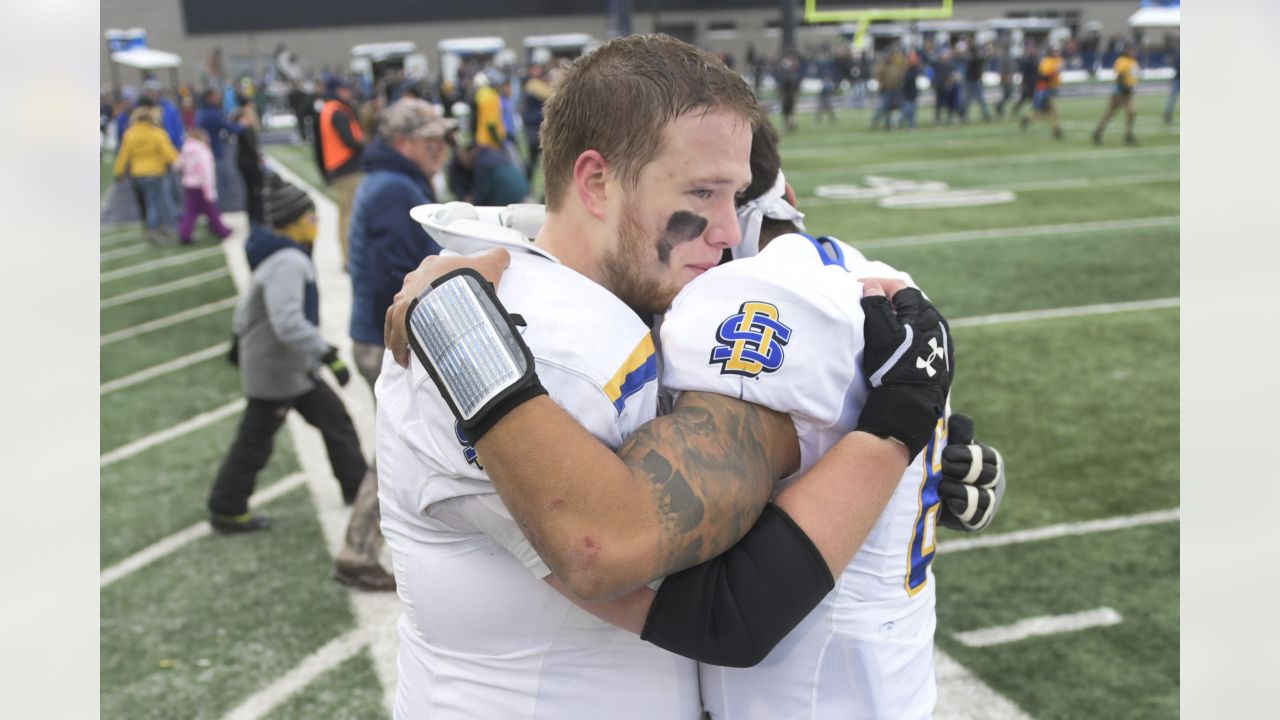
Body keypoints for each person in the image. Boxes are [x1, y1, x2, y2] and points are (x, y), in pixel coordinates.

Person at [375, 34, 954, 718]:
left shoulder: (628, 299)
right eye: (700, 193)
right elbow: (630, 558)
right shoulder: (529, 334)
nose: (725, 230)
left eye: (734, 195)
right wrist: (459, 334)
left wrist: (922, 463)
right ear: (595, 181)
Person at [334, 98, 457, 591]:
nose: (443, 149)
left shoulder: (391, 180)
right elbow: (405, 274)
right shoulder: (393, 189)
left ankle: (358, 547)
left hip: (376, 335)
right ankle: (357, 551)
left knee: (397, 446)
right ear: (404, 143)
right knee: (397, 448)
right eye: (433, 140)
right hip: (383, 341)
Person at [208, 178, 367, 533]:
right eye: (309, 216)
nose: (316, 222)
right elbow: (287, 322)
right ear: (293, 221)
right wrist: (328, 355)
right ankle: (226, 507)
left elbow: (248, 311)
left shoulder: (280, 255)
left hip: (288, 367)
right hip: (277, 371)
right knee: (256, 440)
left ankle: (357, 490)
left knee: (334, 421)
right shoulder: (289, 261)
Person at [113, 106, 180, 246]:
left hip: (137, 175)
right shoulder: (158, 133)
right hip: (155, 173)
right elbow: (168, 152)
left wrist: (119, 172)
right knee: (155, 204)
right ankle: (154, 231)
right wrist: (180, 164)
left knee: (148, 204)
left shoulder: (129, 134)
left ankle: (157, 227)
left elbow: (123, 155)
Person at [317, 77, 366, 265]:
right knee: (349, 215)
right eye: (344, 89)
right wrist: (366, 145)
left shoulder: (330, 109)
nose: (348, 93)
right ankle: (349, 258)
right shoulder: (337, 111)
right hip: (346, 167)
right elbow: (350, 141)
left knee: (346, 214)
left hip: (340, 167)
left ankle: (349, 257)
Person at [175, 128, 232, 244]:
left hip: (189, 184)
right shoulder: (203, 151)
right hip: (202, 185)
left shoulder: (186, 149)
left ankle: (184, 234)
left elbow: (177, 166)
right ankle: (222, 231)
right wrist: (210, 191)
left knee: (190, 211)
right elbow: (207, 172)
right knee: (211, 210)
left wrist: (187, 175)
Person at [446, 142, 530, 205]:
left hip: (511, 198)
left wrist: (471, 199)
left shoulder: (480, 164)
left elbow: (479, 195)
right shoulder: (491, 153)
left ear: (470, 152)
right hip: (524, 190)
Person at [1093, 44, 1141, 146]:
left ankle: (1126, 135)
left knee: (1130, 112)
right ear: (1126, 51)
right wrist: (1125, 89)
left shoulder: (1132, 61)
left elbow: (1132, 75)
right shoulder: (1122, 61)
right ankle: (1099, 132)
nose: (1133, 52)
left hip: (1127, 91)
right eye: (1131, 50)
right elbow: (1119, 76)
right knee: (1115, 113)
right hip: (1120, 92)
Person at [1021, 45, 1064, 139]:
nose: (1057, 53)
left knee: (1042, 113)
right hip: (1044, 89)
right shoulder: (1047, 62)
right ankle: (1056, 130)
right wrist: (1054, 72)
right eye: (1055, 51)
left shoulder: (1054, 61)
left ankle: (1028, 119)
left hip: (1048, 89)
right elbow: (1044, 76)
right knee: (1052, 110)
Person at [231, 105, 266, 224]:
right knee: (256, 191)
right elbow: (251, 146)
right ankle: (257, 217)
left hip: (243, 161)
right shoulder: (245, 127)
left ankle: (253, 217)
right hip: (249, 162)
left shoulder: (242, 127)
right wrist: (258, 157)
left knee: (251, 191)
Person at [521, 64, 551, 182]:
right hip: (534, 126)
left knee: (539, 160)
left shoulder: (534, 83)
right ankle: (526, 183)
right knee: (534, 158)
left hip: (538, 125)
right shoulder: (532, 84)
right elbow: (548, 94)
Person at [1010, 43, 1040, 119]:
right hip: (1029, 82)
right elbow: (1023, 72)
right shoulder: (1028, 61)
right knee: (1027, 98)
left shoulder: (1034, 60)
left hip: (1033, 82)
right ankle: (1035, 111)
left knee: (1028, 98)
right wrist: (1024, 82)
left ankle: (1017, 109)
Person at [1163, 36, 1179, 124]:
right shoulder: (1177, 52)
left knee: (1172, 98)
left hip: (1177, 78)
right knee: (1172, 98)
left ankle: (1167, 115)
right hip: (1178, 79)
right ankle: (1167, 115)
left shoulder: (1176, 52)